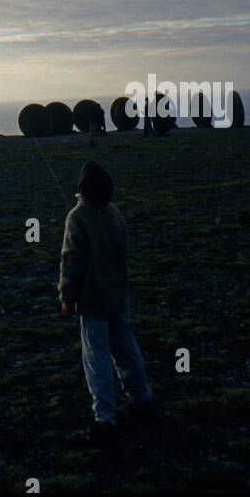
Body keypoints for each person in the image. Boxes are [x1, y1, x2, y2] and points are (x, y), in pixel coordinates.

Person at [58, 160, 153, 446]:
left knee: (96, 357)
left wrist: (66, 297)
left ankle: (105, 419)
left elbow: (70, 260)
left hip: (92, 300)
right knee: (126, 347)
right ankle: (142, 398)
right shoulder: (115, 213)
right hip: (117, 295)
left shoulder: (77, 217)